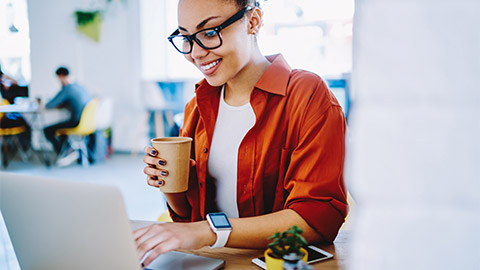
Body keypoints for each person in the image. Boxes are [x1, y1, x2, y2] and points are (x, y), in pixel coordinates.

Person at [137, 0, 348, 267]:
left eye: (210, 32)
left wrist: (208, 231)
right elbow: (188, 219)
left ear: (253, 21)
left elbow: (316, 221)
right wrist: (168, 181)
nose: (195, 53)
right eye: (186, 37)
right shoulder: (197, 107)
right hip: (214, 262)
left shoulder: (306, 94)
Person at [43, 66, 92, 165]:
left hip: (76, 122)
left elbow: (50, 105)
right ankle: (68, 151)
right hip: (87, 123)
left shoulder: (67, 88)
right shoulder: (79, 86)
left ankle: (64, 153)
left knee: (47, 130)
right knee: (61, 130)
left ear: (60, 76)